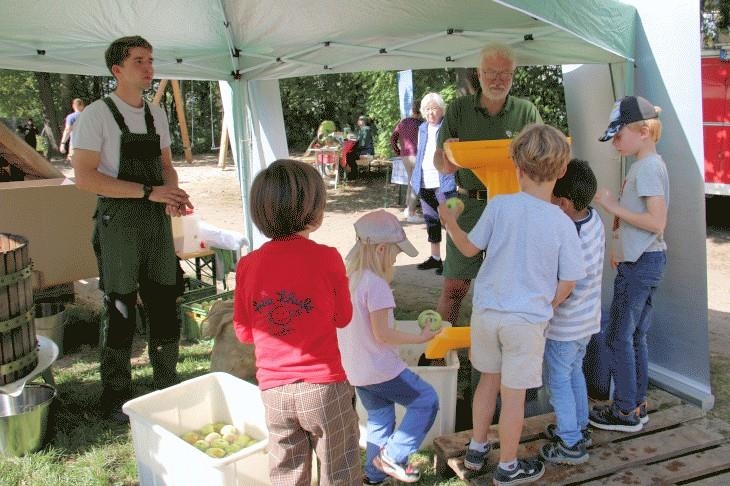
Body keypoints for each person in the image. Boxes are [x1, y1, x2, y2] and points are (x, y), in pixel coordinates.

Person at [438, 123, 586, 485]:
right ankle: (507, 467)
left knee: (486, 382)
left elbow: (470, 249)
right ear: (562, 170)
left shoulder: (499, 205)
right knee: (514, 396)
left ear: (517, 168)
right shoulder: (563, 223)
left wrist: (450, 223)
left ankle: (476, 448)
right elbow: (569, 280)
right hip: (526, 323)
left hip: (488, 314)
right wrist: (547, 305)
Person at [72, 36, 193, 423]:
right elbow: (84, 177)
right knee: (120, 304)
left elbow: (165, 164)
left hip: (155, 218)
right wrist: (148, 191)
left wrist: (172, 191)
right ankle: (115, 392)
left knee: (163, 298)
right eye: (139, 60)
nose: (148, 67)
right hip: (118, 221)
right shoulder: (96, 115)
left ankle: (167, 382)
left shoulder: (157, 114)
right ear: (117, 70)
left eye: (151, 60)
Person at [233, 159, 361, 486]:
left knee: (287, 473)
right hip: (324, 387)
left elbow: (245, 333)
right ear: (314, 212)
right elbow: (343, 318)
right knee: (340, 470)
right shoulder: (327, 258)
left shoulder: (248, 265)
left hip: (274, 391)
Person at [434, 42, 543, 327]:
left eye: (504, 73)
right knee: (455, 287)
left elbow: (543, 161)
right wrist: (448, 156)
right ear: (479, 74)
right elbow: (439, 161)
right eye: (491, 72)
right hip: (468, 205)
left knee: (509, 285)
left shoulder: (527, 111)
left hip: (512, 208)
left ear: (513, 74)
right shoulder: (459, 109)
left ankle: (498, 347)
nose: (497, 79)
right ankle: (435, 354)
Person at [338, 209, 440, 485]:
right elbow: (383, 334)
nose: (395, 260)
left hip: (356, 370)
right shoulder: (376, 285)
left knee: (381, 418)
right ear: (381, 249)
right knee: (427, 400)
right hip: (381, 369)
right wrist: (420, 339)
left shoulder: (350, 279)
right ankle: (393, 456)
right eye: (394, 254)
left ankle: (373, 477)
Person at [588, 96, 669, 433]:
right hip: (642, 259)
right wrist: (621, 247)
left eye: (619, 135)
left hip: (641, 264)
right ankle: (636, 404)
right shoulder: (645, 165)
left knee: (618, 337)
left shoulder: (648, 167)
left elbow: (656, 221)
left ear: (644, 131)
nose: (616, 143)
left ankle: (624, 412)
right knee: (634, 336)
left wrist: (610, 205)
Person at [539, 159, 605, 465]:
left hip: (565, 326)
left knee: (558, 381)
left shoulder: (569, 236)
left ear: (563, 203)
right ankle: (579, 427)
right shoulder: (594, 220)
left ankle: (569, 443)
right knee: (574, 372)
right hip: (587, 321)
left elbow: (566, 285)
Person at [410, 92, 455, 274]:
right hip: (424, 180)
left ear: (441, 110)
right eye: (427, 109)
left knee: (449, 222)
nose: (430, 113)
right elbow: (420, 153)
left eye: (434, 109)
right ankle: (435, 258)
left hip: (443, 180)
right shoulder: (421, 128)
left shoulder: (448, 126)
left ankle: (452, 261)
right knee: (431, 220)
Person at [390, 103, 422, 220]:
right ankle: (411, 213)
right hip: (416, 155)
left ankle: (408, 209)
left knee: (411, 181)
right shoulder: (421, 124)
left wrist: (398, 151)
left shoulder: (402, 122)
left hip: (404, 156)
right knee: (415, 183)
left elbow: (393, 138)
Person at [60, 98, 85, 164]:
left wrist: (62, 144)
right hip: (89, 146)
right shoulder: (90, 117)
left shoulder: (71, 117)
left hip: (75, 145)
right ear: (82, 105)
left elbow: (67, 130)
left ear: (73, 106)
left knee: (76, 166)